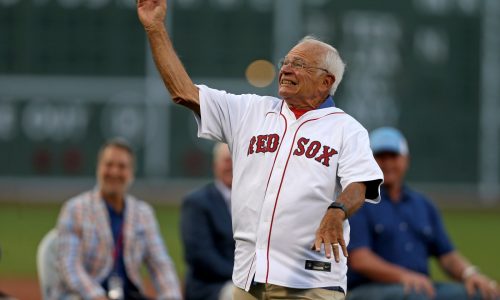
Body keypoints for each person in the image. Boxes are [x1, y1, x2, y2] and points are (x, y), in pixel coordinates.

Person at [137, 1, 384, 299]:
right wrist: (155, 28)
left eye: (300, 65)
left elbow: (360, 183)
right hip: (248, 279)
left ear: (326, 82)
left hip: (310, 282)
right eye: (286, 63)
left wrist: (338, 210)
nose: (287, 70)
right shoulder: (251, 111)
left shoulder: (346, 128)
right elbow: (183, 92)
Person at [347, 127, 500, 300]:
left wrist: (470, 274)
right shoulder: (358, 202)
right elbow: (360, 260)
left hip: (420, 287)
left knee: (486, 294)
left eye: (393, 157)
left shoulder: (423, 205)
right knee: (416, 295)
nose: (387, 163)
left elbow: (447, 255)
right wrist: (404, 276)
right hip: (370, 289)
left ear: (406, 160)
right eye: (381, 157)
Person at [55, 138, 182, 300]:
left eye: (122, 166)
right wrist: (97, 296)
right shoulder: (75, 209)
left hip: (126, 294)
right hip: (85, 294)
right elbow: (69, 266)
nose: (114, 172)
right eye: (109, 165)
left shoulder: (143, 214)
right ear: (98, 168)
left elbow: (161, 264)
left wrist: (171, 296)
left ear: (131, 173)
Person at [180, 142, 235, 300]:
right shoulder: (196, 202)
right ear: (214, 166)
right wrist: (243, 277)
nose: (231, 165)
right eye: (226, 160)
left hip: (244, 282)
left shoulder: (255, 201)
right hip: (210, 288)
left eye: (235, 159)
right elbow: (200, 256)